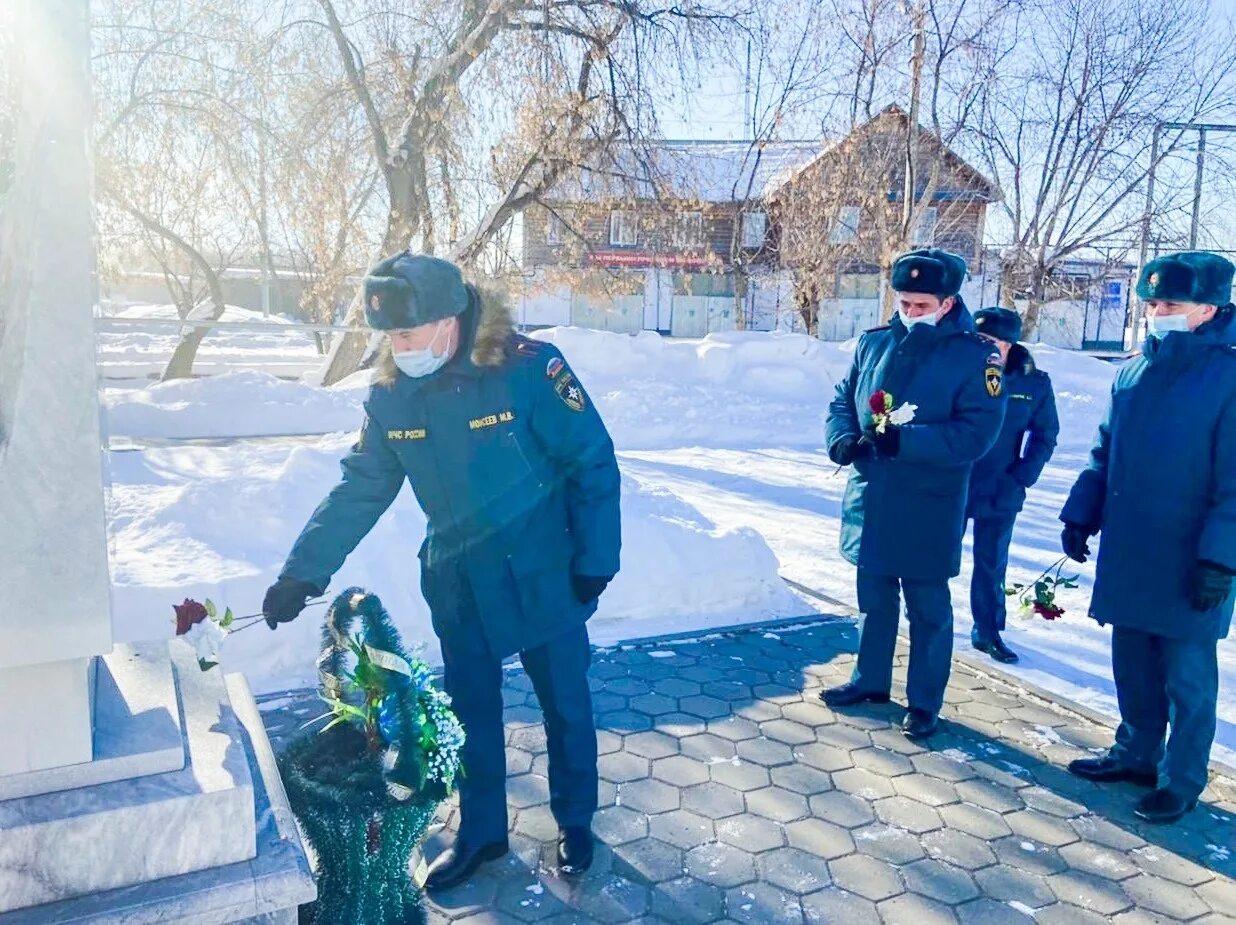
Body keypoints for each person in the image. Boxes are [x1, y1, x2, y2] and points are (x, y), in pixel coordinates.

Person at [262, 253, 622, 884]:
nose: (397, 347)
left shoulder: (528, 371)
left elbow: (592, 461)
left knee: (565, 703)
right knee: (470, 711)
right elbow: (362, 486)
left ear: (450, 319)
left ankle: (574, 823)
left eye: (407, 333)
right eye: (389, 336)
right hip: (461, 582)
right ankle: (482, 834)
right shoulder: (392, 395)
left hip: (544, 575)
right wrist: (304, 571)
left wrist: (595, 560)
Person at [1061, 251, 1236, 824]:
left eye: (1170, 303)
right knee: (1132, 662)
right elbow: (1105, 448)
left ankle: (1181, 779)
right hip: (1132, 548)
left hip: (1191, 556)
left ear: (1208, 308)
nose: (1157, 311)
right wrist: (1081, 512)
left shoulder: (1228, 375)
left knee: (1186, 678)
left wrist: (1220, 558)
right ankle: (1135, 753)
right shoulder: (1134, 368)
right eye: (1152, 301)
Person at [823, 248, 1006, 739]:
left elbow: (976, 433)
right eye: (903, 301)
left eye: (921, 304)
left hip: (929, 502)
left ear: (948, 303)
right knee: (873, 599)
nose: (909, 311)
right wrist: (842, 438)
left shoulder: (976, 356)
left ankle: (924, 701)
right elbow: (844, 397)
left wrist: (907, 440)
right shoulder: (875, 342)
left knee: (927, 609)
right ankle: (870, 681)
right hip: (874, 495)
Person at [965, 307, 1059, 664]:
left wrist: (1022, 475)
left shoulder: (1032, 381)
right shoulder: (958, 373)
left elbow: (1045, 433)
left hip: (1000, 485)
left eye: (991, 343)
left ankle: (988, 631)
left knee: (991, 563)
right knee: (937, 555)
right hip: (954, 481)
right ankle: (927, 620)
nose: (983, 348)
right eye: (978, 341)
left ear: (1009, 346)